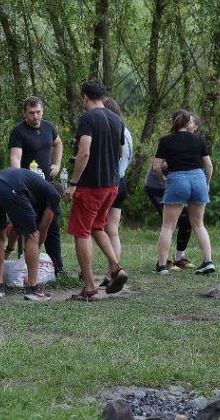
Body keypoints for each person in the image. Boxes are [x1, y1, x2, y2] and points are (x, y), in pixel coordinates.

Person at [64, 79, 127, 301]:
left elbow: (84, 152)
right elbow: (120, 151)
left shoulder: (88, 118)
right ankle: (116, 267)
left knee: (81, 232)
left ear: (85, 97)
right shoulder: (117, 119)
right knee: (97, 227)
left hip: (92, 186)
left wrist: (73, 183)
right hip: (112, 185)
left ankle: (90, 288)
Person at [152, 110, 215, 275]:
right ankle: (208, 261)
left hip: (177, 180)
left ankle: (162, 266)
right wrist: (207, 183)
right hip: (198, 178)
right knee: (198, 224)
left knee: (168, 226)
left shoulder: (166, 140)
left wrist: (163, 180)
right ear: (188, 123)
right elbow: (209, 165)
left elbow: (156, 166)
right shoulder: (198, 139)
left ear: (172, 121)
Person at [0, 167, 61, 301]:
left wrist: (10, 248)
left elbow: (16, 225)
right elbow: (42, 230)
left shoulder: (33, 190)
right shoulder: (54, 195)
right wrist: (32, 253)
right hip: (12, 187)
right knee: (33, 235)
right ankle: (33, 289)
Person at [8, 96, 65, 274]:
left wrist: (57, 164)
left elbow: (58, 143)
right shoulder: (18, 131)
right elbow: (15, 157)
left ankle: (57, 267)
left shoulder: (49, 127)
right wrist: (17, 178)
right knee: (29, 226)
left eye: (38, 112)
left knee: (53, 225)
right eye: (31, 113)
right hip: (28, 186)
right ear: (24, 113)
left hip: (47, 185)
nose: (36, 116)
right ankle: (24, 265)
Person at [100, 97, 132, 287]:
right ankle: (112, 273)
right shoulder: (126, 132)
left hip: (107, 182)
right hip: (121, 181)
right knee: (113, 231)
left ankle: (108, 269)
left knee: (93, 228)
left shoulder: (108, 130)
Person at [144, 168, 193, 269]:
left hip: (177, 186)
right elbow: (158, 165)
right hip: (158, 187)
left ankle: (179, 258)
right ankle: (163, 261)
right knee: (169, 223)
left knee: (187, 220)